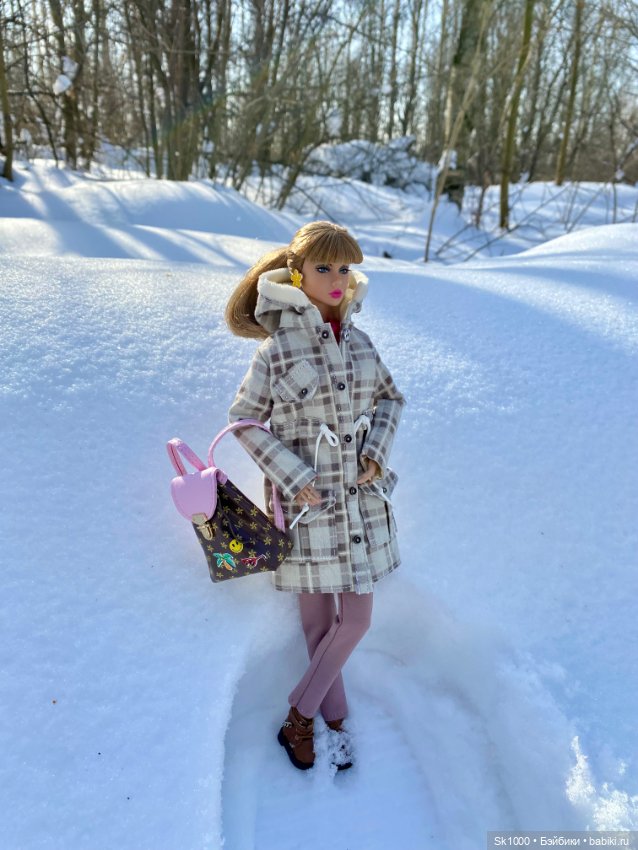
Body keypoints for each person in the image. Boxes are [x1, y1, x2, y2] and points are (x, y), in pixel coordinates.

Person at [225, 220, 405, 771]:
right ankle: (335, 718)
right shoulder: (277, 350)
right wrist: (294, 475)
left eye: (345, 268)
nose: (336, 278)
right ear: (297, 273)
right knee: (317, 625)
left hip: (358, 505)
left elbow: (392, 399)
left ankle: (297, 715)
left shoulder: (361, 343)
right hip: (305, 510)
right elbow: (244, 421)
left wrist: (375, 449)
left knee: (355, 620)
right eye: (324, 267)